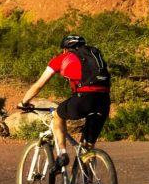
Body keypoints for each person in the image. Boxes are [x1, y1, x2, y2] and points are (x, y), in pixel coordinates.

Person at [19, 35, 111, 171]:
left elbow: (38, 86)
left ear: (65, 50)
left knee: (58, 114)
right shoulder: (94, 56)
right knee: (87, 147)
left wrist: (24, 102)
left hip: (83, 98)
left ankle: (62, 154)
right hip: (104, 99)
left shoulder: (61, 58)